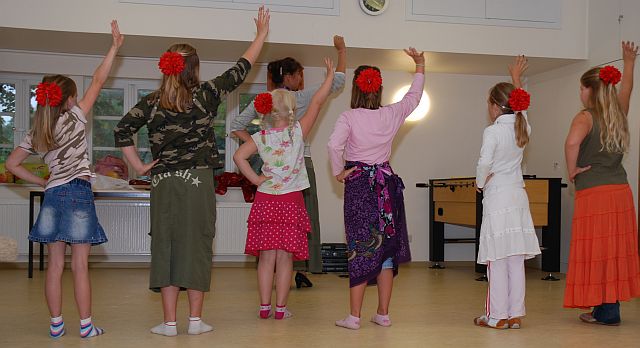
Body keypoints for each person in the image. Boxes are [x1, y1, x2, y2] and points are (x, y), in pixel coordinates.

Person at [113, 6, 270, 336]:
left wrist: (140, 166)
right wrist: (260, 36)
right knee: (197, 244)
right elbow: (241, 69)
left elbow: (122, 129)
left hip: (165, 180)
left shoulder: (153, 101)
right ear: (194, 68)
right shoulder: (207, 94)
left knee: (166, 246)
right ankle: (195, 321)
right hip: (198, 180)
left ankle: (170, 323)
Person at [5, 20, 124, 339]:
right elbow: (99, 79)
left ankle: (56, 325)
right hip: (79, 193)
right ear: (69, 98)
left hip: (54, 195)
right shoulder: (76, 116)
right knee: (80, 266)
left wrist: (42, 182)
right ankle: (86, 326)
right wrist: (114, 47)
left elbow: (12, 164)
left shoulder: (37, 131)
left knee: (55, 265)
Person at [230, 37, 347, 282]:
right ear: (291, 77)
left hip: (270, 174)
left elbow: (236, 125)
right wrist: (341, 52)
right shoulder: (300, 98)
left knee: (270, 223)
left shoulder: (262, 101)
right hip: (299, 165)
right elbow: (337, 82)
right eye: (299, 75)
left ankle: (267, 269)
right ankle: (300, 270)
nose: (301, 80)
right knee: (303, 218)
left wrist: (261, 145)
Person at [328, 48, 424, 330]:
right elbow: (414, 97)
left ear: (355, 90)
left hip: (358, 185)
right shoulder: (392, 114)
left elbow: (334, 145)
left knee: (360, 247)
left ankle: (355, 316)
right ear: (379, 89)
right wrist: (419, 64)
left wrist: (338, 172)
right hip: (385, 185)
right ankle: (382, 313)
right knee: (385, 250)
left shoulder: (349, 117)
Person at [234, 58, 335, 319]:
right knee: (285, 258)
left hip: (266, 201)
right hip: (290, 201)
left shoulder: (261, 136)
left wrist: (256, 181)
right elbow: (317, 102)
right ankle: (280, 309)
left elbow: (239, 158)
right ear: (290, 111)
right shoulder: (298, 132)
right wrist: (329, 77)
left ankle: (264, 307)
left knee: (266, 258)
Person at [563, 41, 640, 325]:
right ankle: (608, 309)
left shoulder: (585, 117)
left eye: (582, 88)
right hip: (620, 192)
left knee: (597, 251)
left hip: (594, 193)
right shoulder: (618, 110)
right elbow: (628, 88)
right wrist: (628, 62)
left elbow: (572, 143)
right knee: (613, 251)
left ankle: (605, 310)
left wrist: (572, 170)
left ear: (591, 90)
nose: (580, 93)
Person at [472, 56, 541, 329]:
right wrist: (516, 80)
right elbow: (523, 109)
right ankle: (515, 314)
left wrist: (479, 182)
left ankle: (495, 315)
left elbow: (484, 163)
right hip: (518, 198)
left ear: (494, 106)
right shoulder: (523, 126)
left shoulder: (492, 131)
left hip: (498, 196)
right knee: (515, 259)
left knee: (496, 259)